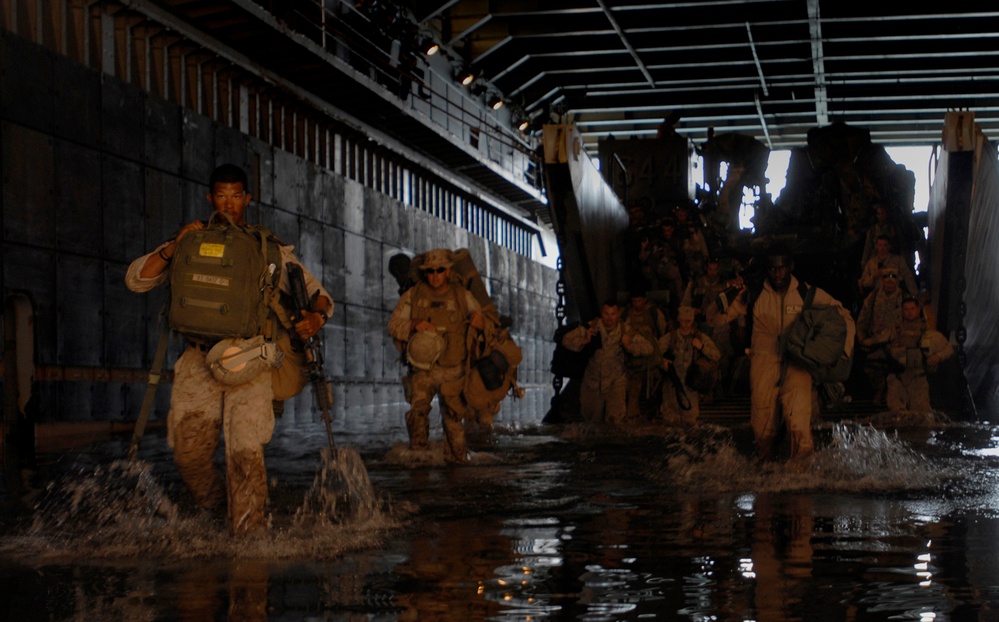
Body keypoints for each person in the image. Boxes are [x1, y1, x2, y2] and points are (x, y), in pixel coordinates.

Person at [125, 163, 333, 536]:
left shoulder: (267, 248)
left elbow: (320, 296)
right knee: (189, 453)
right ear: (210, 198)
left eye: (236, 195)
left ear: (247, 199)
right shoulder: (187, 241)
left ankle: (247, 541)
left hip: (249, 360)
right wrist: (175, 247)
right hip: (197, 358)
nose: (229, 203)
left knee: (244, 454)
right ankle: (215, 509)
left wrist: (315, 318)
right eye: (221, 195)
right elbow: (137, 280)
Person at [715, 254, 855, 462]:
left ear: (790, 267)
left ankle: (800, 477)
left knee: (798, 423)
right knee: (763, 427)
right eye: (773, 269)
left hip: (796, 364)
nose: (778, 273)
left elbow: (843, 315)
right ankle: (766, 471)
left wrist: (840, 351)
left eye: (782, 268)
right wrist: (730, 292)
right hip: (764, 364)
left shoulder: (806, 293)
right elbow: (716, 318)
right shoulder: (754, 294)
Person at [388, 249, 485, 462]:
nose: (435, 275)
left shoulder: (462, 296)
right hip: (422, 370)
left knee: (453, 419)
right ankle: (420, 462)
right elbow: (393, 325)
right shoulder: (413, 295)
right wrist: (414, 325)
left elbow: (484, 324)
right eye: (430, 271)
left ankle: (458, 465)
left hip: (453, 370)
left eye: (440, 270)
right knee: (418, 415)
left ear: (448, 271)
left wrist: (480, 324)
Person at [561, 299, 653, 424]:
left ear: (618, 314)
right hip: (593, 382)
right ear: (601, 313)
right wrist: (583, 341)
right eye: (606, 313)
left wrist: (630, 346)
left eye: (613, 314)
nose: (609, 317)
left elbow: (648, 348)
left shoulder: (625, 330)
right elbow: (566, 340)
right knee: (591, 423)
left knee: (615, 423)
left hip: (615, 383)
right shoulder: (592, 326)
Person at [885, 297, 953, 417]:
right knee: (896, 417)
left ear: (918, 310)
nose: (909, 312)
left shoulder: (927, 331)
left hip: (918, 379)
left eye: (912, 308)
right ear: (901, 310)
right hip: (897, 379)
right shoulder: (894, 331)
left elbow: (948, 348)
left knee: (921, 417)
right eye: (906, 309)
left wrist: (938, 356)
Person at [659, 306, 721, 427]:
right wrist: (663, 362)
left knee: (690, 423)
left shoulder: (699, 336)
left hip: (690, 387)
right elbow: (655, 353)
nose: (686, 324)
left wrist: (702, 347)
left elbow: (716, 355)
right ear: (678, 320)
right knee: (670, 423)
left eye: (689, 321)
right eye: (683, 321)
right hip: (671, 386)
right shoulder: (670, 337)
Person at [856, 267, 906, 404]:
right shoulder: (872, 298)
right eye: (886, 276)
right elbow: (862, 320)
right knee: (871, 367)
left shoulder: (905, 300)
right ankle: (880, 388)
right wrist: (862, 338)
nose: (890, 280)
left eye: (893, 276)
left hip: (897, 344)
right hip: (876, 344)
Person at [622, 286, 670, 421]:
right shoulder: (627, 315)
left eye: (639, 301)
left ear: (645, 300)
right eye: (634, 301)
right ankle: (633, 414)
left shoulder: (654, 313)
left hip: (652, 357)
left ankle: (655, 411)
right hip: (635, 358)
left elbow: (663, 333)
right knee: (633, 387)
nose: (637, 304)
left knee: (655, 385)